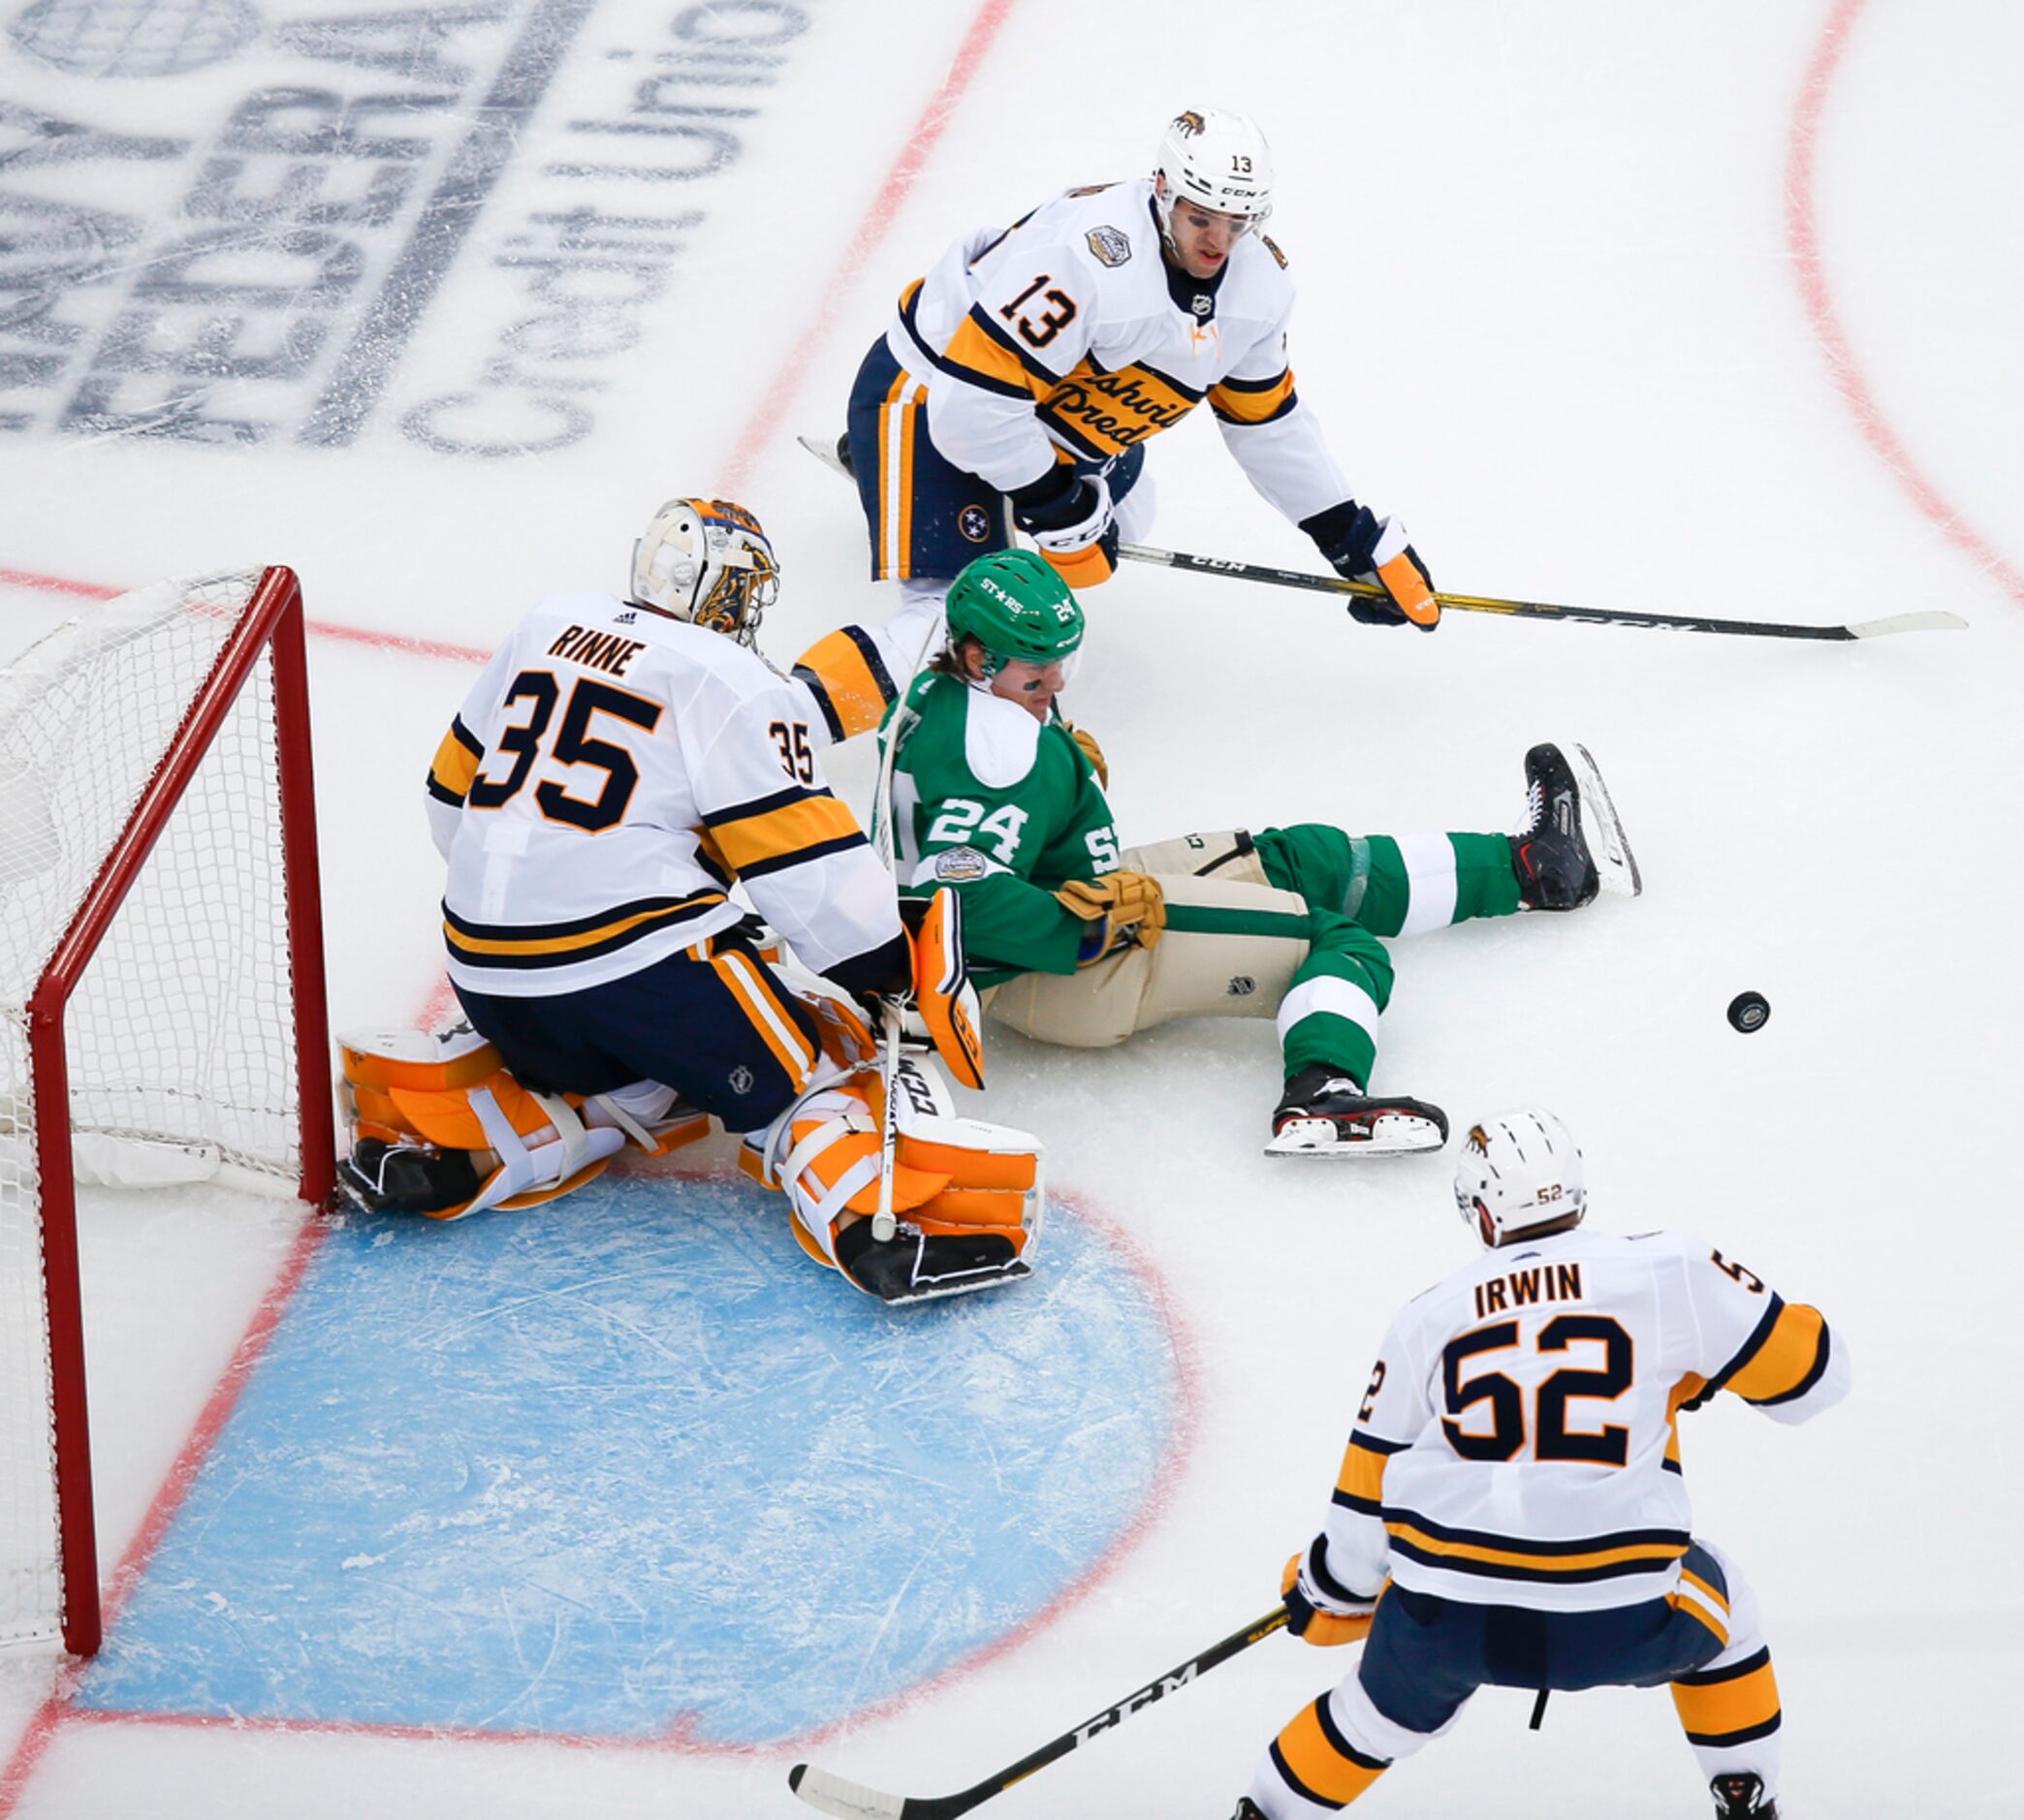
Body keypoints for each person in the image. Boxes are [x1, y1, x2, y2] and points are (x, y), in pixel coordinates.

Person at [334, 497, 1041, 1303]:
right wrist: (885, 966)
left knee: (636, 1071)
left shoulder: (547, 624)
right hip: (636, 972)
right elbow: (804, 867)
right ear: (726, 591)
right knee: (819, 1060)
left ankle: (474, 1143)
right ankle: (879, 1225)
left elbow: (448, 802)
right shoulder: (730, 679)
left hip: (489, 976)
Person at [884, 549, 1636, 1154]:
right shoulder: (997, 749)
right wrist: (1092, 926)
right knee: (1336, 942)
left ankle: (1537, 868)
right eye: (1036, 676)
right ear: (980, 659)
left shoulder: (947, 691)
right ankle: (1324, 1096)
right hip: (1068, 963)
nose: (1054, 688)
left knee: (1292, 859)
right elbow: (959, 898)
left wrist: (1063, 786)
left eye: (1063, 669)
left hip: (1084, 892)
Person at [1233, 1110, 1850, 1819]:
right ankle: (1745, 1797)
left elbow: (1365, 1495)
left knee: (1370, 1716)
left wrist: (1331, 1591)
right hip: (1623, 1616)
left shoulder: (1426, 1317)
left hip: (1451, 1619)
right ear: (1577, 1192)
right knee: (1727, 1611)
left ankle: (1264, 1811)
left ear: (1483, 1216)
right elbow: (1815, 1383)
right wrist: (1711, 1364)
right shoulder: (1668, 1269)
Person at [797, 106, 1439, 743]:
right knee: (968, 626)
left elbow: (1264, 422)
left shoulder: (1258, 285)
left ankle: (934, 491)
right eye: (1201, 218)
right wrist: (1056, 504)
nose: (1219, 241)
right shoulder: (1085, 258)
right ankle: (778, 720)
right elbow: (970, 410)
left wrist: (1347, 536)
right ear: (1164, 191)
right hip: (932, 399)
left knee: (1133, 503)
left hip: (1049, 421)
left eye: (1238, 222)